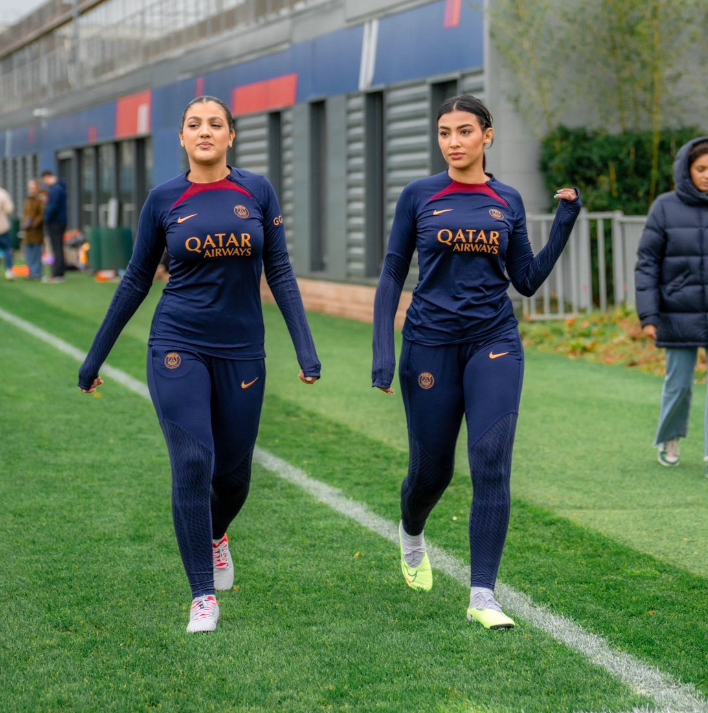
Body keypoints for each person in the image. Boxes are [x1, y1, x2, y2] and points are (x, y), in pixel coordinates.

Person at [78, 95, 321, 633]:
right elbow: (136, 280)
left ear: (231, 135)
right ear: (183, 138)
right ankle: (202, 596)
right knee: (192, 462)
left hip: (242, 350)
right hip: (177, 343)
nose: (205, 131)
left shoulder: (256, 191)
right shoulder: (164, 199)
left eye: (215, 124)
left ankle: (215, 534)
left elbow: (279, 270)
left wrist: (305, 348)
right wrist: (94, 357)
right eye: (194, 124)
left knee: (233, 477)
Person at [372, 94, 580, 629]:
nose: (453, 142)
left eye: (464, 131)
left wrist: (564, 222)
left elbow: (525, 280)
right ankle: (412, 533)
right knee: (431, 473)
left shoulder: (506, 199)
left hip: (494, 340)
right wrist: (382, 352)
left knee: (491, 461)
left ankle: (483, 594)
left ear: (487, 136)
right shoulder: (419, 195)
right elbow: (393, 273)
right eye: (444, 133)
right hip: (429, 344)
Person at [635, 137, 708, 474]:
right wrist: (649, 315)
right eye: (701, 168)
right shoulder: (664, 207)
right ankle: (670, 439)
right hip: (678, 310)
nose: (707, 175)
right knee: (678, 384)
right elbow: (647, 264)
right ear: (686, 170)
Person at [41, 169, 68, 283]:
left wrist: (46, 218)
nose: (44, 183)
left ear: (48, 177)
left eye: (44, 181)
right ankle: (59, 273)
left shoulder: (56, 189)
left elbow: (53, 207)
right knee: (58, 247)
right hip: (60, 221)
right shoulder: (59, 188)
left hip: (56, 222)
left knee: (57, 248)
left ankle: (57, 274)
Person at [21, 179, 46, 280]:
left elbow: (42, 214)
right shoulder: (28, 200)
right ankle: (31, 272)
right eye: (30, 188)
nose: (31, 190)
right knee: (29, 254)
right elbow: (25, 213)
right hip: (28, 232)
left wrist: (34, 223)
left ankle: (37, 273)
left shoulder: (40, 199)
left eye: (33, 188)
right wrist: (24, 223)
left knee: (36, 253)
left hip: (36, 231)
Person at [0, 180, 15, 280]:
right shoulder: (3, 194)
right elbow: (9, 209)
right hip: (3, 227)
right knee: (7, 249)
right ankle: (9, 271)